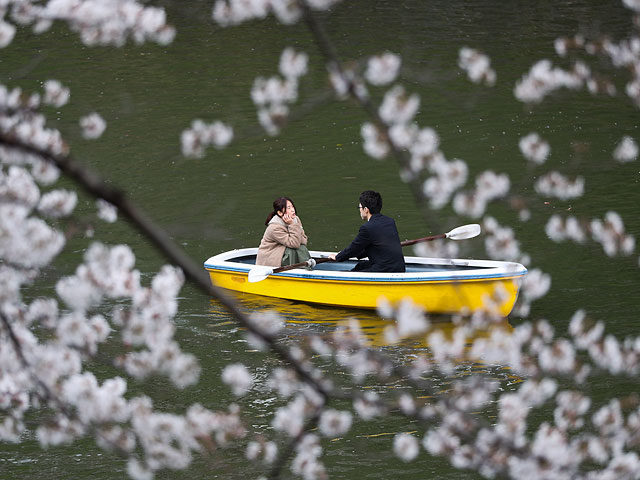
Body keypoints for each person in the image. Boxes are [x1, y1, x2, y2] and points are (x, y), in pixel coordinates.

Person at [328, 190, 405, 272]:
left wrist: (337, 257)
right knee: (361, 265)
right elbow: (372, 247)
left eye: (360, 208)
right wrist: (344, 253)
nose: (359, 211)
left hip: (385, 271)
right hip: (399, 268)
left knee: (348, 273)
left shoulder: (367, 228)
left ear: (365, 209)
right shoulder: (390, 221)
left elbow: (354, 248)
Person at [256, 196, 311, 267]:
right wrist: (292, 225)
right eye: (289, 208)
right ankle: (295, 271)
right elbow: (295, 243)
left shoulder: (295, 219)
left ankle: (304, 269)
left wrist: (294, 228)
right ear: (280, 213)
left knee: (302, 248)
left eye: (292, 206)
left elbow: (304, 240)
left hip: (282, 251)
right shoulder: (274, 227)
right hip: (271, 257)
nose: (293, 210)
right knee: (291, 250)